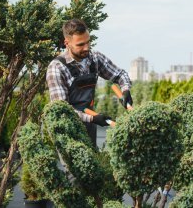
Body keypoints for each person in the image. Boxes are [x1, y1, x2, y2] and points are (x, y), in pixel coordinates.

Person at [46, 18, 132, 147]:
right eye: (80, 45)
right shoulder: (57, 68)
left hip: (90, 126)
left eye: (88, 42)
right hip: (67, 129)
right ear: (67, 43)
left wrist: (125, 90)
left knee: (95, 163)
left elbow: (120, 74)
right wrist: (93, 118)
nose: (86, 48)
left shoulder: (94, 58)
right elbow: (62, 111)